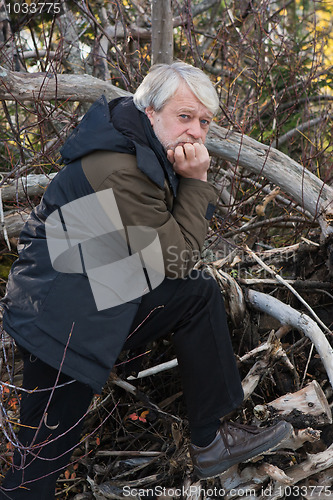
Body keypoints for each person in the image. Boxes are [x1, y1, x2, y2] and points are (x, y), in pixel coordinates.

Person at [0, 62, 292, 499]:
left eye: (204, 122)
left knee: (197, 294)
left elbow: (161, 257)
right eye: (185, 116)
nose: (195, 132)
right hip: (61, 321)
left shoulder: (136, 144)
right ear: (151, 112)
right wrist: (196, 183)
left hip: (93, 290)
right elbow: (177, 256)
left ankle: (211, 439)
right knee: (37, 467)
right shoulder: (122, 167)